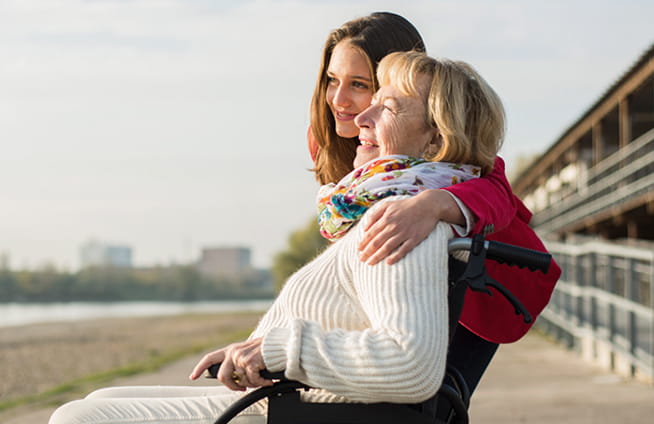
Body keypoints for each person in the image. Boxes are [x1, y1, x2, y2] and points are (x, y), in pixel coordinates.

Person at [49, 51, 509, 424]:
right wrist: (250, 351)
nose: (361, 115)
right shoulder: (402, 203)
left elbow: (410, 367)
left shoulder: (403, 218)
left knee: (79, 417)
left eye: (386, 106)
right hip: (298, 397)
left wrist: (276, 348)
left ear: (435, 139)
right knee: (100, 396)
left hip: (304, 408)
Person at [306, 11, 560, 394]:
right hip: (399, 284)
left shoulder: (447, 143)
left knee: (436, 405)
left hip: (479, 290)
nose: (339, 100)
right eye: (331, 80)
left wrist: (433, 203)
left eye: (359, 85)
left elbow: (496, 196)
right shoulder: (324, 139)